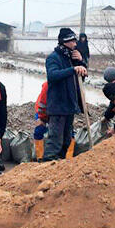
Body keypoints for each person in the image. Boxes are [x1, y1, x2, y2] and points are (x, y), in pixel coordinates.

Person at [43, 27, 87, 161]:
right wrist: (73, 69)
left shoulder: (72, 57)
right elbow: (52, 75)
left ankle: (59, 166)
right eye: (73, 41)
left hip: (69, 105)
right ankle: (47, 166)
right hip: (58, 105)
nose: (75, 44)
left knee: (66, 141)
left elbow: (82, 76)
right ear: (65, 42)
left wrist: (80, 62)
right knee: (55, 141)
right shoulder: (54, 58)